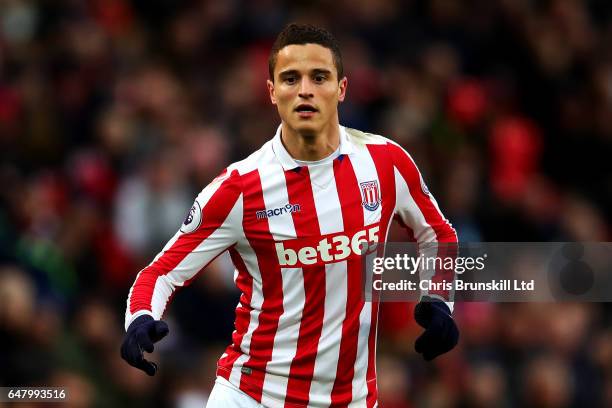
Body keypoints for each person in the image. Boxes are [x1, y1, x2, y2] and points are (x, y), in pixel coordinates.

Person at [120, 23, 459, 407]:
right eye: (290, 78)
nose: (305, 91)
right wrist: (140, 319)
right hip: (251, 397)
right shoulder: (240, 189)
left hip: (352, 399)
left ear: (342, 88)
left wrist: (438, 300)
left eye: (319, 77)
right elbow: (160, 273)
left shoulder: (385, 163)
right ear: (272, 92)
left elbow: (439, 235)